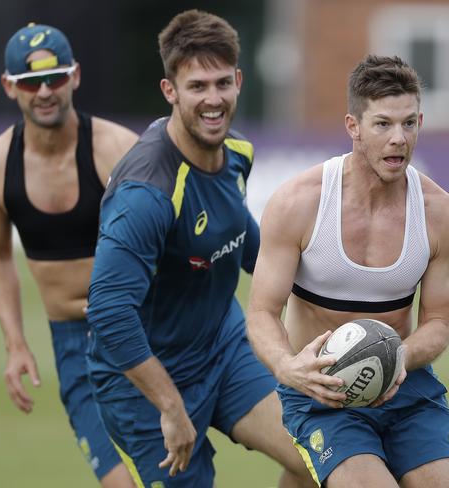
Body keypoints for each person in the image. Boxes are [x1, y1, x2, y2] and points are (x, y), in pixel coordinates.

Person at [85, 9, 314, 488]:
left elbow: (247, 243)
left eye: (221, 83)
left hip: (224, 347)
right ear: (170, 91)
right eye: (197, 87)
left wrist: (335, 298)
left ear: (238, 80)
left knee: (322, 461)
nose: (213, 100)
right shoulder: (146, 194)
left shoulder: (238, 154)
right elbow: (108, 313)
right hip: (144, 387)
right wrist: (170, 405)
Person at [246, 54, 449, 487]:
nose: (398, 139)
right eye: (382, 124)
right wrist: (286, 367)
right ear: (353, 127)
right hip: (321, 394)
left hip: (405, 386)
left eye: (409, 123)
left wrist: (397, 357)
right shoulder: (298, 203)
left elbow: (438, 323)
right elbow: (260, 313)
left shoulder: (443, 216)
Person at [0, 23, 138, 488]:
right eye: (30, 82)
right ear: (10, 87)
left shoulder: (116, 148)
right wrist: (15, 344)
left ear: (76, 77)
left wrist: (130, 301)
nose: (45, 91)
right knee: (118, 483)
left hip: (139, 330)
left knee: (172, 473)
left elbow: (166, 240)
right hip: (72, 346)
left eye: (57, 77)